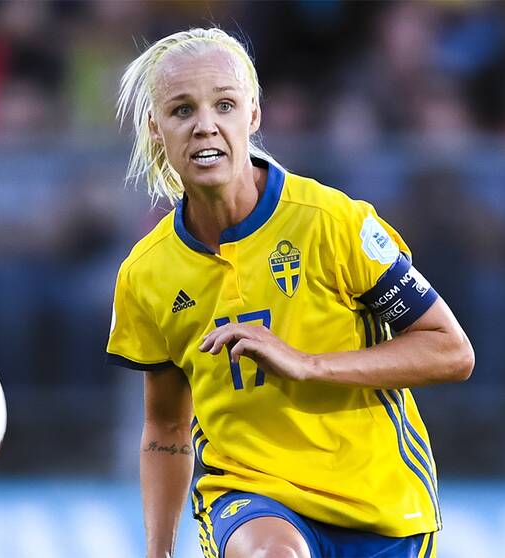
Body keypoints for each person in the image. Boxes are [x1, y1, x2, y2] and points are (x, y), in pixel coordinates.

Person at [108, 28, 474, 558]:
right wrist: (159, 552)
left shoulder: (332, 222)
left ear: (253, 115)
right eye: (182, 110)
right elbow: (166, 426)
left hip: (379, 506)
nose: (205, 125)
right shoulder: (146, 273)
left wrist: (308, 365)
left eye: (224, 105)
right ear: (155, 128)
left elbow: (451, 350)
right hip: (249, 494)